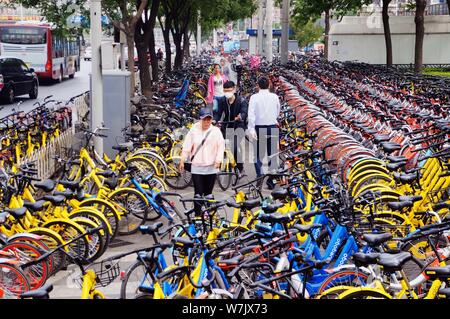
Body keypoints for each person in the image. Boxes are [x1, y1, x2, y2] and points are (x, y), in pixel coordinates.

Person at [179, 108, 225, 214]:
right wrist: (182, 159)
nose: (207, 122)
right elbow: (187, 146)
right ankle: (198, 217)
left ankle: (210, 216)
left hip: (211, 167)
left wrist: (218, 160)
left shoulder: (215, 131)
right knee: (198, 193)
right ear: (200, 119)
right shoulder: (194, 130)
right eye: (205, 119)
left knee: (208, 193)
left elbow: (221, 147)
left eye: (209, 119)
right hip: (197, 167)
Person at [247, 76, 281, 189]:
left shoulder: (254, 98)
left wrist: (251, 128)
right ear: (269, 85)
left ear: (258, 85)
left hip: (259, 127)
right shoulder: (274, 97)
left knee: (258, 155)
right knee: (273, 155)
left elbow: (251, 115)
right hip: (272, 126)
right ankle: (271, 180)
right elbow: (278, 111)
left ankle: (259, 175)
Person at [214, 80, 248, 179]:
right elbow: (218, 113)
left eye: (229, 90)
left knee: (233, 146)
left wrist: (240, 116)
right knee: (221, 145)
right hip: (226, 126)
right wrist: (214, 120)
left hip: (239, 126)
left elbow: (244, 112)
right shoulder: (222, 101)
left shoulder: (242, 101)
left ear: (234, 89)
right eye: (225, 91)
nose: (227, 93)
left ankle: (241, 168)